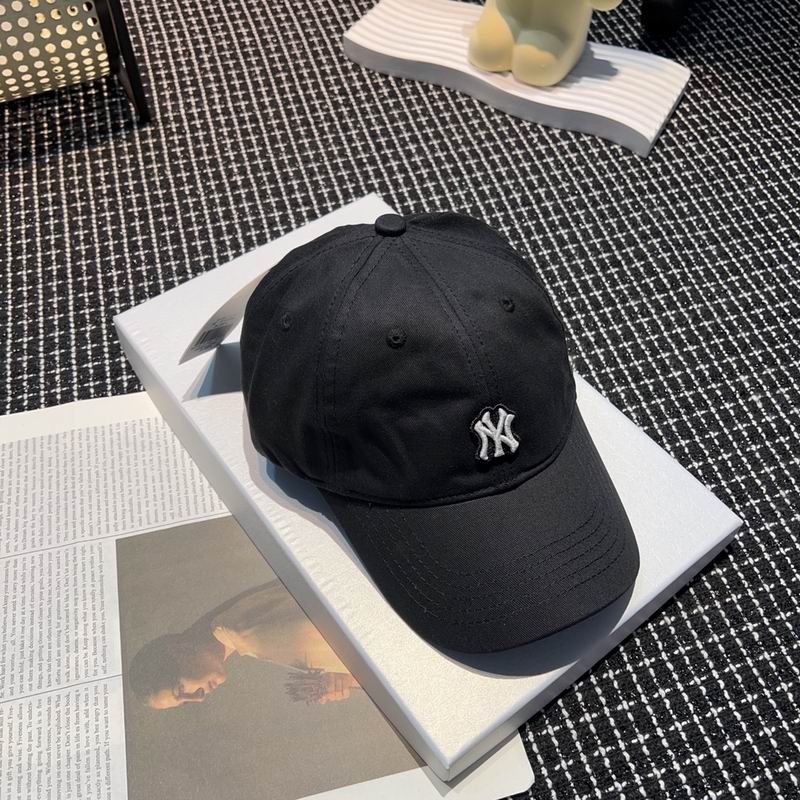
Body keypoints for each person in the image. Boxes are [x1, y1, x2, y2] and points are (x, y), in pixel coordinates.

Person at [129, 580, 361, 710]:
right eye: (184, 702)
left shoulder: (251, 635)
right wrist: (342, 678)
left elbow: (367, 638)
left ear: (177, 650)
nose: (198, 698)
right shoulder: (233, 624)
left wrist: (349, 679)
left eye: (181, 690)